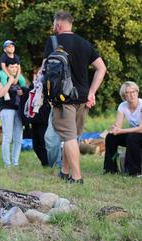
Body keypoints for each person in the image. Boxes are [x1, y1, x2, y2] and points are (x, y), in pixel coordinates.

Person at [43, 11, 106, 183]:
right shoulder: (84, 43)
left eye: (54, 25)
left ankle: (77, 178)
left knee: (69, 138)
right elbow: (102, 68)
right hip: (83, 99)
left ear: (58, 25)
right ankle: (64, 171)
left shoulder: (53, 42)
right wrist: (92, 92)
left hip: (63, 100)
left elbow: (46, 70)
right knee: (72, 136)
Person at [104, 81, 142, 176]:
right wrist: (114, 128)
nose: (131, 95)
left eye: (133, 92)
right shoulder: (122, 106)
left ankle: (134, 172)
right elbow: (118, 125)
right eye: (127, 93)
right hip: (135, 135)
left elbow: (141, 129)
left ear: (137, 92)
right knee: (110, 137)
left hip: (138, 134)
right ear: (124, 96)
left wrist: (121, 131)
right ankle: (111, 169)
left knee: (132, 137)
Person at [0, 62, 26, 167]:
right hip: (7, 109)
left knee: (18, 138)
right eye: (11, 67)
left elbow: (24, 95)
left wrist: (22, 93)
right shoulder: (2, 80)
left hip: (18, 110)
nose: (14, 69)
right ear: (6, 68)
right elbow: (0, 94)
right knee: (7, 137)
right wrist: (9, 82)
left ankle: (15, 162)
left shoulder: (20, 81)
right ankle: (7, 163)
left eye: (15, 67)